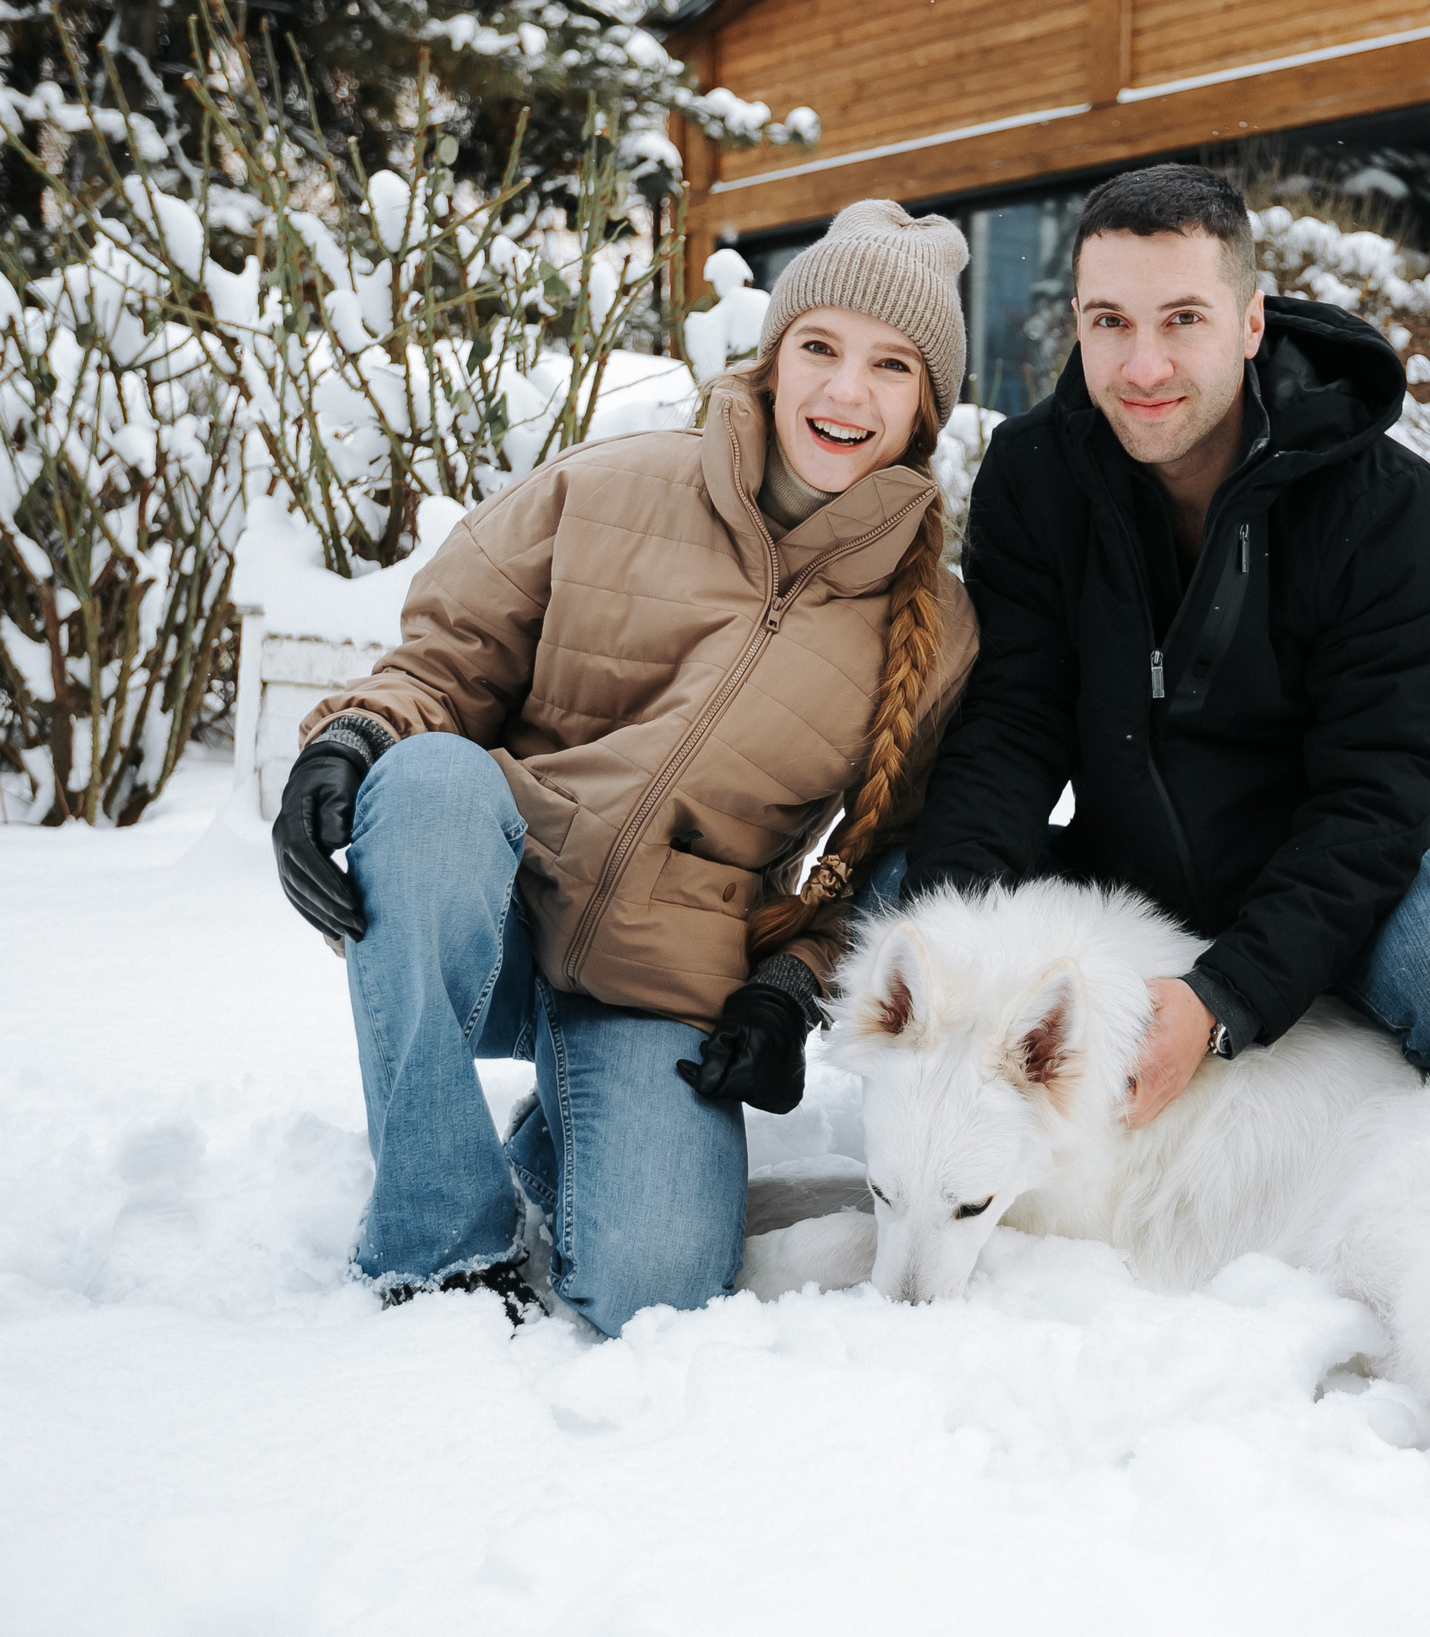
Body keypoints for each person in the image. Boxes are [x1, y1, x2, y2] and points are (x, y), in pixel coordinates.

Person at [269, 201, 979, 1332]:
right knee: (429, 782)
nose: (846, 393)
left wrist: (789, 991)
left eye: (891, 367)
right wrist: (352, 741)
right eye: (821, 349)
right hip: (487, 908)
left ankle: (566, 1135)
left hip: (666, 973)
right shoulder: (611, 486)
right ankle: (437, 1241)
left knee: (655, 1282)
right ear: (773, 354)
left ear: (925, 406)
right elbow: (443, 662)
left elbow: (884, 862)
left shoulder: (933, 626)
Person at [895, 163, 1430, 1129]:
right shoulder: (1036, 476)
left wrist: (1229, 995)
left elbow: (1381, 791)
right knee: (905, 898)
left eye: (1183, 320)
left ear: (1251, 323)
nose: (1143, 367)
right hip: (1118, 870)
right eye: (1110, 321)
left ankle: (1303, 1015)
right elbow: (1011, 725)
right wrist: (948, 959)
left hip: (1310, 866)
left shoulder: (1383, 505)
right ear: (1076, 321)